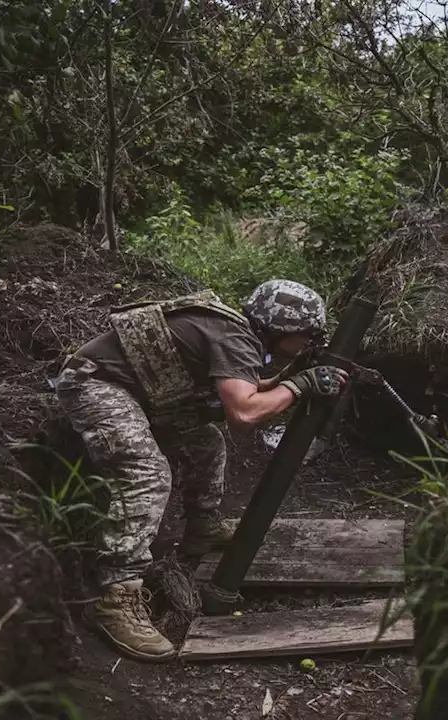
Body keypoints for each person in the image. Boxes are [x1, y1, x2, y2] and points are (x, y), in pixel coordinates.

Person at [55, 279, 349, 661]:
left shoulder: (235, 333)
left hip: (129, 385)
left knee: (205, 439)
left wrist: (287, 381)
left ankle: (202, 527)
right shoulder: (234, 338)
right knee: (146, 472)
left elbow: (244, 384)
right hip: (94, 383)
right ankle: (115, 594)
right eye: (306, 335)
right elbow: (244, 413)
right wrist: (299, 385)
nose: (308, 343)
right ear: (280, 331)